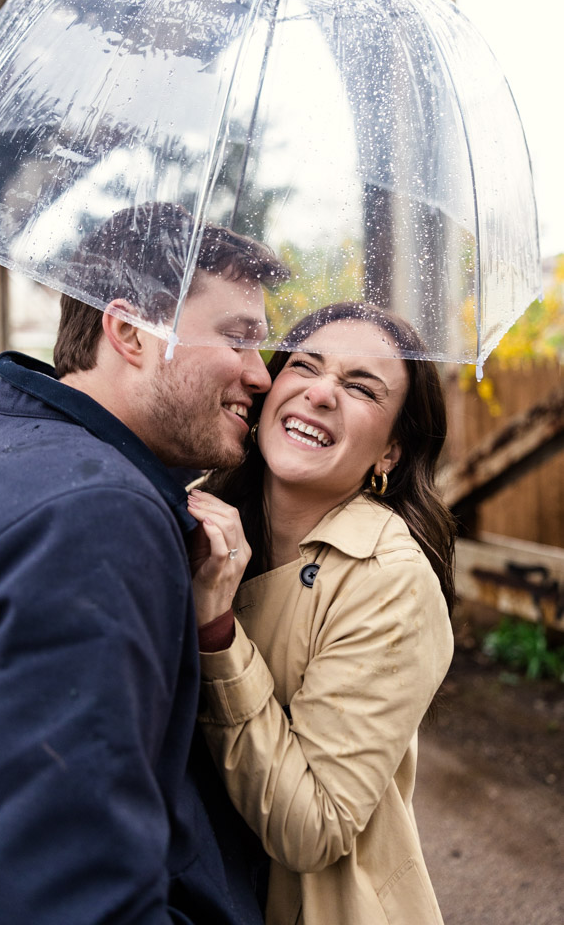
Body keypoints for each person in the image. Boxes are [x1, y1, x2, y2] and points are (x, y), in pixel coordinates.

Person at [0, 202, 287, 925]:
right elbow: (70, 896)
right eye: (238, 338)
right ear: (128, 330)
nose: (261, 375)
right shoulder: (94, 513)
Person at [186, 301, 456, 925]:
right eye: (305, 366)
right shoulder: (205, 517)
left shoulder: (389, 581)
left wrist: (217, 633)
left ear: (389, 452)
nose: (321, 393)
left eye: (361, 387)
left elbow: (313, 827)